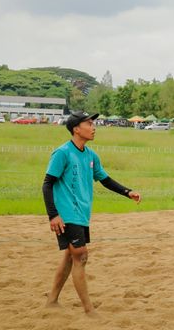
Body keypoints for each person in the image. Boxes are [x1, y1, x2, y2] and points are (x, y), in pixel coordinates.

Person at [42, 111, 142, 314]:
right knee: (81, 256)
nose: (94, 127)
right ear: (76, 129)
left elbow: (105, 180)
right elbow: (47, 184)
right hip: (66, 214)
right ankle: (89, 309)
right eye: (89, 123)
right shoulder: (62, 153)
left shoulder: (91, 156)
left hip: (81, 214)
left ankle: (52, 300)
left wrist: (127, 192)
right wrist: (53, 215)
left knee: (70, 257)